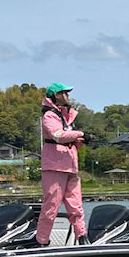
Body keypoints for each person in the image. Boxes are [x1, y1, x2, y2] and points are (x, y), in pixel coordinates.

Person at [35, 82, 89, 247]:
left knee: (76, 205)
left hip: (70, 166)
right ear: (57, 95)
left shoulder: (65, 116)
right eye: (65, 93)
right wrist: (80, 133)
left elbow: (67, 139)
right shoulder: (49, 116)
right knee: (51, 206)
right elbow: (58, 135)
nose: (68, 96)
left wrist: (80, 140)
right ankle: (42, 240)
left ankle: (82, 237)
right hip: (54, 167)